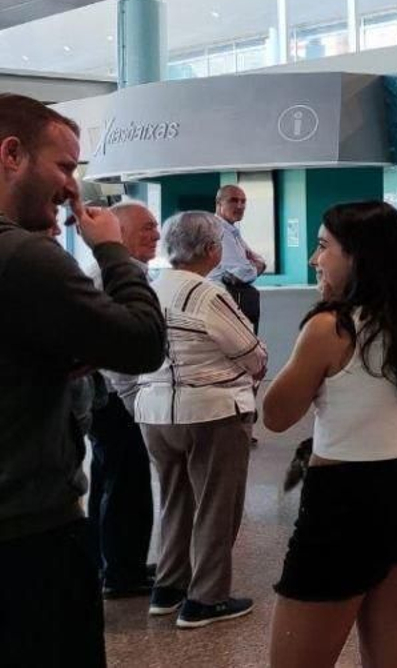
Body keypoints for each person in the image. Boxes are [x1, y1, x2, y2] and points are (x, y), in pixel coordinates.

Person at [0, 93, 166, 667]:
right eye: (66, 167)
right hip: (29, 539)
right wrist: (115, 252)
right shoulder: (21, 258)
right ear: (12, 154)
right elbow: (143, 342)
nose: (74, 188)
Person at [262, 201, 397, 667]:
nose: (316, 259)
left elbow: (276, 415)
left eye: (323, 247)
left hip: (342, 501)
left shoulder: (331, 327)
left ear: (358, 256)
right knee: (392, 656)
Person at [136, 212, 268, 629]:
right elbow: (251, 352)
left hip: (155, 413)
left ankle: (168, 587)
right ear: (212, 250)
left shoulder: (150, 291)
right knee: (216, 503)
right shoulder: (208, 294)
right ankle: (206, 599)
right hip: (211, 410)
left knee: (174, 500)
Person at [86, 201, 161, 600]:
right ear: (121, 232)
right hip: (116, 397)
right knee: (126, 483)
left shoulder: (122, 271)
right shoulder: (117, 275)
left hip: (109, 396)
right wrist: (135, 403)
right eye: (147, 227)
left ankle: (113, 562)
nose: (156, 235)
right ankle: (121, 571)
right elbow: (118, 345)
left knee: (110, 479)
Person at [210, 184, 267, 329]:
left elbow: (256, 259)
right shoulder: (219, 231)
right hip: (226, 304)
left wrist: (256, 263)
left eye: (243, 201)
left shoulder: (232, 231)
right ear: (219, 203)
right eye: (233, 200)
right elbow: (242, 274)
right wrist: (258, 265)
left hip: (236, 303)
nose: (240, 205)